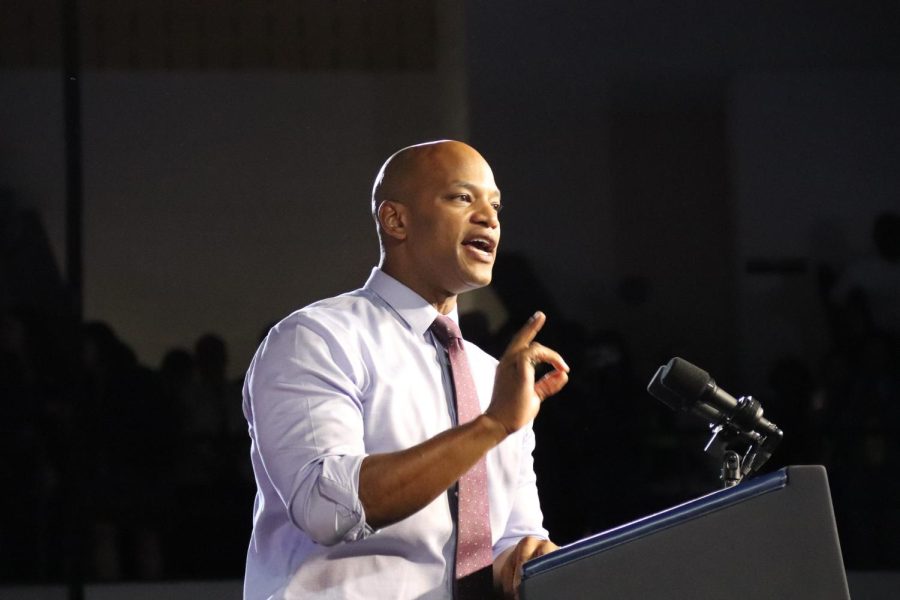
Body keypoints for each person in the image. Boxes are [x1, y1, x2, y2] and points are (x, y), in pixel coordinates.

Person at [242, 140, 570, 599]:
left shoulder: (492, 376)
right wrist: (491, 425)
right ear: (395, 220)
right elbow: (326, 507)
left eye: (495, 205)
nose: (489, 217)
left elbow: (508, 542)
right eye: (462, 197)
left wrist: (529, 559)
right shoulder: (317, 339)